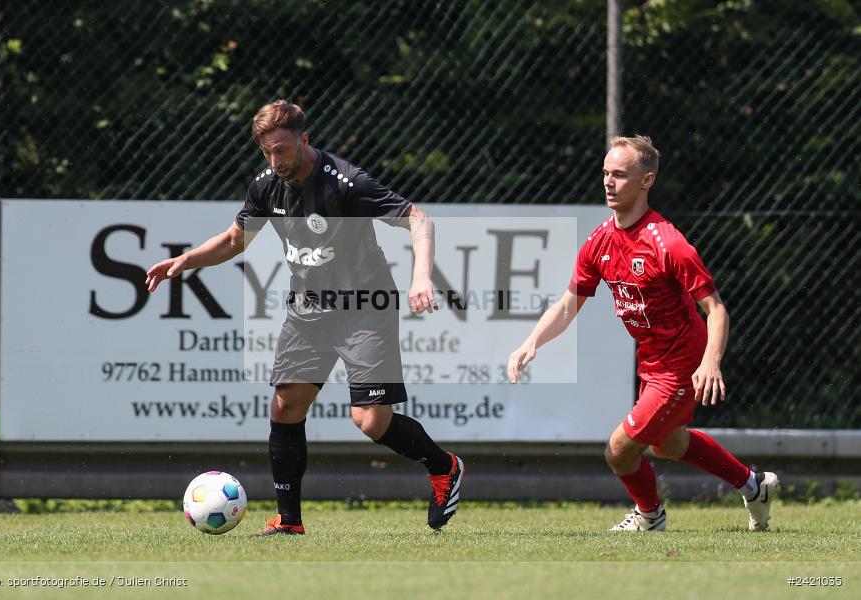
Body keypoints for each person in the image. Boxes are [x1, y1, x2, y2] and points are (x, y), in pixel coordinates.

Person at [146, 100, 463, 534]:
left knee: (370, 421)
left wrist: (421, 277)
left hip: (363, 308)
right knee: (285, 405)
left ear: (304, 139)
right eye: (267, 152)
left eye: (283, 149)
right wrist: (186, 259)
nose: (275, 160)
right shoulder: (265, 185)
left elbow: (419, 220)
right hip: (308, 309)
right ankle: (289, 521)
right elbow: (235, 240)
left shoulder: (346, 182)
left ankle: (444, 467)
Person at [507, 136, 778, 532]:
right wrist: (531, 341)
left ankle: (650, 517)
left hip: (683, 361)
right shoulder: (600, 239)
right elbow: (568, 306)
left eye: (619, 174)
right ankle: (754, 486)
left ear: (646, 180)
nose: (608, 182)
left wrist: (710, 362)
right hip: (652, 359)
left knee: (619, 449)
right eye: (605, 173)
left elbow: (716, 309)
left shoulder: (668, 243)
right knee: (666, 444)